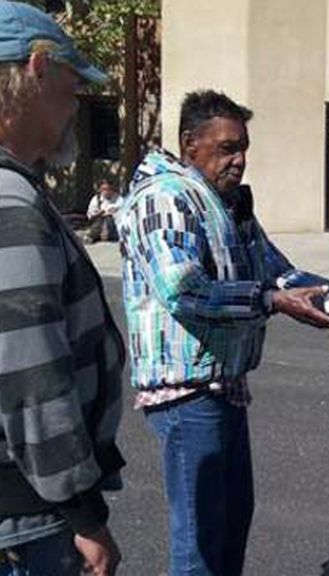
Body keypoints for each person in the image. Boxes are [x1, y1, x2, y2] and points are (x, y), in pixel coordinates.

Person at [117, 90, 329, 576]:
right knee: (200, 540)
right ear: (189, 145)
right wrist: (268, 300)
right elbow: (184, 290)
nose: (239, 161)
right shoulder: (166, 198)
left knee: (232, 520)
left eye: (242, 148)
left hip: (223, 387)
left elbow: (272, 267)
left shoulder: (227, 200)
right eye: (227, 149)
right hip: (186, 396)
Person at [0, 3, 124, 575]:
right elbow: (31, 379)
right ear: (38, 68)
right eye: (73, 86)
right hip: (26, 524)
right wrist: (83, 513)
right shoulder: (11, 203)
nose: (76, 106)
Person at [85, 178, 122, 243]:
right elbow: (90, 216)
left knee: (109, 219)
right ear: (100, 190)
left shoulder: (118, 199)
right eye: (104, 189)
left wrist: (114, 211)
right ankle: (92, 236)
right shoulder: (96, 199)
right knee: (100, 220)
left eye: (109, 189)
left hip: (113, 222)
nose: (107, 191)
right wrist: (100, 213)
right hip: (99, 223)